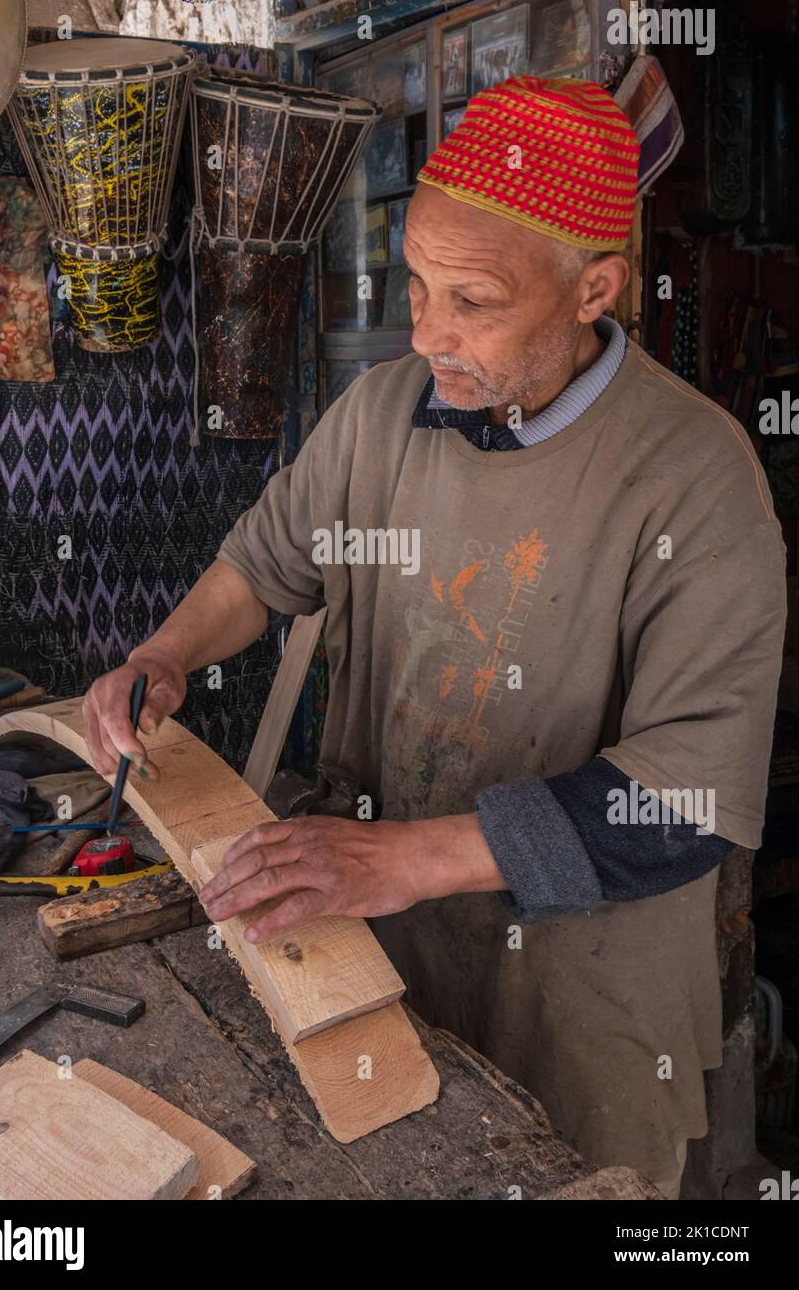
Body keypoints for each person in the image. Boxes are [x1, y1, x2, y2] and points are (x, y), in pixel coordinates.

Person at [83, 76, 786, 1197]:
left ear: (592, 288)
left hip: (576, 993)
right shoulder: (387, 409)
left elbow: (686, 804)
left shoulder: (693, 480)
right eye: (413, 286)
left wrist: (404, 857)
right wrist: (166, 653)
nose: (424, 333)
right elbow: (261, 566)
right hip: (378, 952)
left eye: (471, 300)